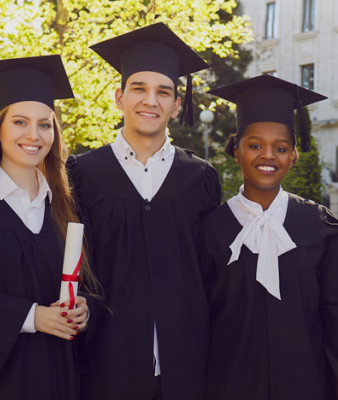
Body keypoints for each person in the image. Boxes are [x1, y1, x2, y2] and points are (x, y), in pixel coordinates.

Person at [67, 23, 221, 400]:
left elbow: (211, 273)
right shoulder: (81, 174)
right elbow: (71, 265)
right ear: (119, 97)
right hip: (106, 368)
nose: (150, 101)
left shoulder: (201, 178)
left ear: (177, 104)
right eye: (139, 88)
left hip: (188, 368)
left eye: (163, 92)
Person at [0, 55, 103, 400]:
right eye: (20, 122)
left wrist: (85, 307)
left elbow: (89, 284)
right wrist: (30, 317)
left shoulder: (68, 208)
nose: (34, 135)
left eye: (45, 124)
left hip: (58, 377)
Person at [199, 74, 338, 400]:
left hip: (307, 386)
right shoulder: (211, 230)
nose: (268, 155)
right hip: (230, 386)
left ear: (293, 156)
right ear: (236, 152)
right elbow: (199, 319)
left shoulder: (319, 227)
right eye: (255, 145)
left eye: (281, 147)